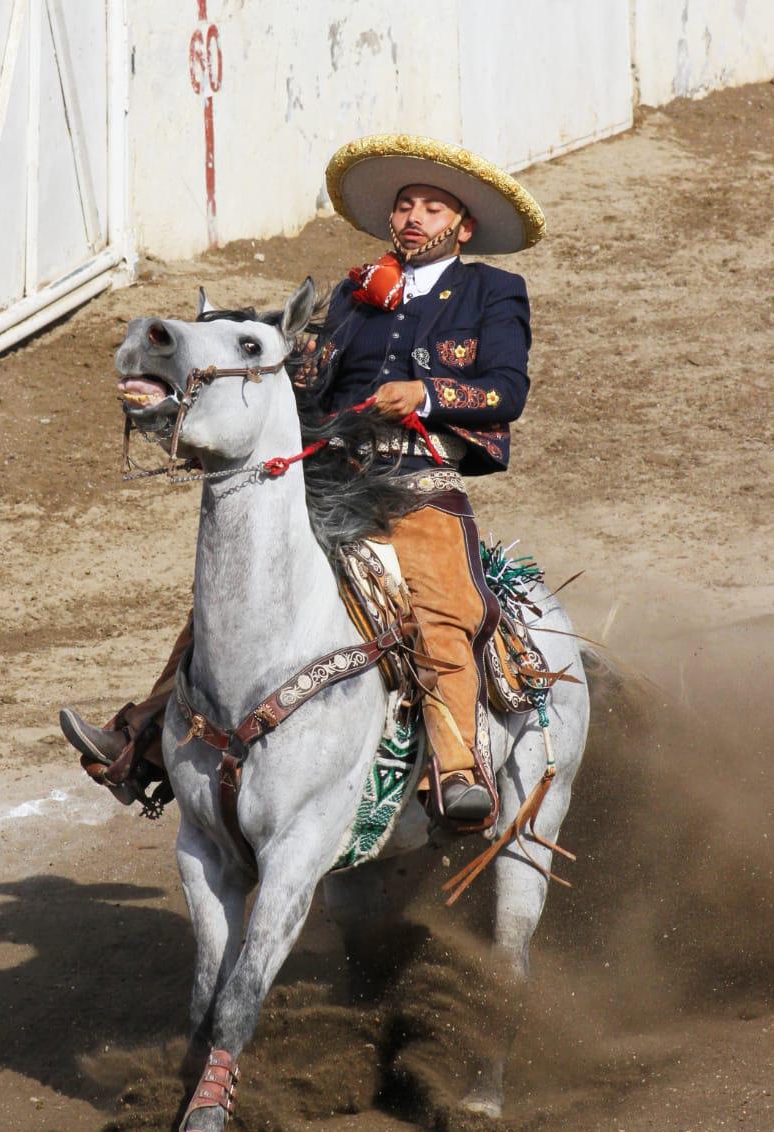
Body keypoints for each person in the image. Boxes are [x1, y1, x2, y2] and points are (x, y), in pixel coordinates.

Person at [60, 135, 545, 824]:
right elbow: (309, 387)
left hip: (419, 481)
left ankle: (458, 766)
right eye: (404, 206)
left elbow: (506, 391)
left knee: (444, 611)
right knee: (233, 594)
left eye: (432, 209)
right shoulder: (354, 292)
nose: (412, 217)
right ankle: (140, 738)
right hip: (328, 475)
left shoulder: (492, 291)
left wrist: (426, 394)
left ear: (462, 228)